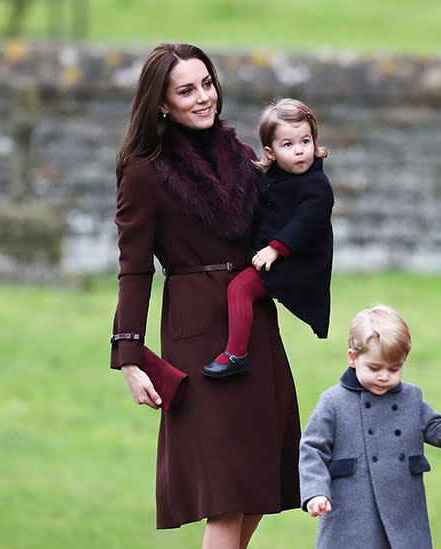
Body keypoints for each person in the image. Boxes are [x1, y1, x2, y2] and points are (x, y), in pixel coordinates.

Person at [110, 43, 301, 548]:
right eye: (186, 90)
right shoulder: (143, 171)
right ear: (161, 103)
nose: (203, 98)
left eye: (207, 84)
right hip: (197, 339)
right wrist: (129, 356)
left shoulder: (240, 155)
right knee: (225, 494)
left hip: (254, 325)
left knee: (260, 486)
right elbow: (134, 269)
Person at [299, 305, 441, 549]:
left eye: (394, 368)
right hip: (351, 522)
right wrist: (316, 492)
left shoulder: (411, 398)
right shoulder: (333, 402)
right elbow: (312, 449)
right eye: (374, 368)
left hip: (405, 524)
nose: (384, 376)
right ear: (352, 358)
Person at [204, 98, 334, 378]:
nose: (299, 151)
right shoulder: (270, 179)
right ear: (270, 152)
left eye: (305, 141)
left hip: (298, 264)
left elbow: (305, 223)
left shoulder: (317, 186)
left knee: (240, 290)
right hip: (271, 255)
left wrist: (275, 249)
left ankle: (236, 354)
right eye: (288, 145)